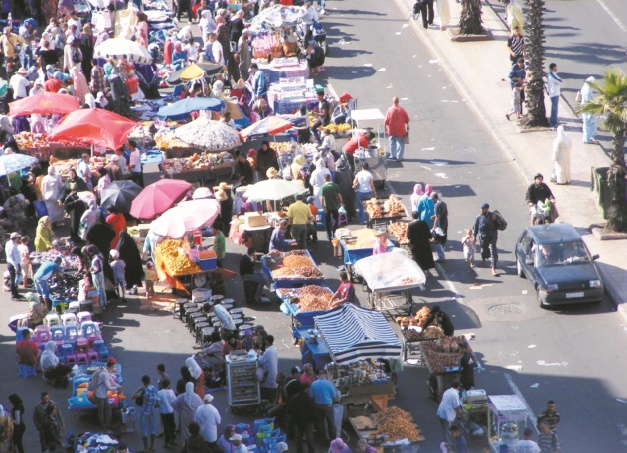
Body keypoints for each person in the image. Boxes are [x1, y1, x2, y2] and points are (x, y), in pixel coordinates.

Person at [131, 375, 158, 453]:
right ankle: (152, 446)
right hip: (152, 410)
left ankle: (146, 448)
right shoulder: (154, 388)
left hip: (144, 411)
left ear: (143, 382)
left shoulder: (144, 391)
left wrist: (139, 389)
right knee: (152, 428)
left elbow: (132, 396)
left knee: (144, 429)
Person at [287, 381, 315, 453]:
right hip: (308, 421)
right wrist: (313, 419)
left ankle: (299, 451)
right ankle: (311, 451)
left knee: (299, 436)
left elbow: (290, 410)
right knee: (309, 437)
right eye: (308, 388)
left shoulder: (294, 398)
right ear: (305, 389)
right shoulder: (308, 398)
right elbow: (312, 410)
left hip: (298, 421)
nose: (309, 390)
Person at [309, 369, 336, 442]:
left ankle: (323, 440)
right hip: (328, 405)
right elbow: (334, 395)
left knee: (320, 423)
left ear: (318, 375)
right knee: (330, 422)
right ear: (325, 375)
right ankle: (333, 439)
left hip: (318, 405)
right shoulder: (328, 383)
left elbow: (311, 395)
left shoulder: (314, 383)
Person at [472, 203, 499, 275]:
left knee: (492, 250)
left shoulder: (492, 216)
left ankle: (493, 268)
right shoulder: (478, 217)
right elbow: (475, 227)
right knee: (484, 250)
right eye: (480, 209)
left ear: (487, 209)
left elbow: (499, 226)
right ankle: (483, 260)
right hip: (483, 236)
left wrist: (495, 219)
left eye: (483, 209)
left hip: (492, 236)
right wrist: (474, 236)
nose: (481, 210)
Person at [94, 358, 121, 430]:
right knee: (101, 410)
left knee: (108, 408)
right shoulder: (104, 374)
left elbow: (113, 383)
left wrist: (119, 386)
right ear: (112, 365)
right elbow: (108, 387)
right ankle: (103, 426)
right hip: (99, 395)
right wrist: (117, 388)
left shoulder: (108, 372)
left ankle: (108, 424)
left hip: (104, 394)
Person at [436, 380, 463, 445]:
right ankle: (448, 445)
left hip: (440, 412)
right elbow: (455, 406)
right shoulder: (455, 394)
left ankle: (447, 442)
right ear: (458, 386)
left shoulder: (447, 391)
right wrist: (461, 412)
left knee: (444, 429)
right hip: (446, 415)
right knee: (447, 430)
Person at [384, 96, 410, 162]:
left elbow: (386, 120)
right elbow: (407, 119)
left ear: (392, 102)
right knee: (400, 143)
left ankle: (393, 155)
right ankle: (399, 157)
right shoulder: (402, 110)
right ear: (398, 102)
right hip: (400, 129)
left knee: (392, 142)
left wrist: (385, 128)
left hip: (392, 129)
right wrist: (407, 126)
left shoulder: (389, 110)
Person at [320, 173, 344, 241]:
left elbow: (322, 198)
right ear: (330, 178)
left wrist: (323, 206)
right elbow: (339, 195)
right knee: (335, 220)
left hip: (327, 207)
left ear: (324, 179)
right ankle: (334, 233)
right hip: (335, 206)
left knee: (327, 221)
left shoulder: (323, 187)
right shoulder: (335, 186)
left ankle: (329, 236)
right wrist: (342, 202)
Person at [258, 335, 279, 401]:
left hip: (269, 374)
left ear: (267, 341)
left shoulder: (268, 351)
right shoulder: (274, 349)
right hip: (274, 373)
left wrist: (258, 355)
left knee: (269, 393)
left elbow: (261, 361)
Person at [157, 378, 177, 448]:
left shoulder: (159, 393)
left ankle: (166, 442)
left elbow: (158, 403)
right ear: (169, 385)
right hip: (171, 411)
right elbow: (175, 400)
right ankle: (173, 439)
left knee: (165, 427)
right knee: (172, 425)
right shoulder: (171, 391)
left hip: (163, 412)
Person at [87, 244, 107, 308]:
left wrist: (92, 271)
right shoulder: (100, 256)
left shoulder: (97, 258)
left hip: (97, 276)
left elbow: (99, 268)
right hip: (100, 275)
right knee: (102, 290)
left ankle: (101, 304)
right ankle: (104, 303)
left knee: (99, 290)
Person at [6, 232, 24, 300]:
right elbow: (13, 258)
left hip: (12, 264)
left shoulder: (9, 243)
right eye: (18, 238)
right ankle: (13, 295)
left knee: (15, 280)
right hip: (13, 265)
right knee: (13, 280)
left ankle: (16, 293)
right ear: (16, 238)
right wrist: (16, 267)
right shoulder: (12, 246)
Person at [431, 192, 448, 262]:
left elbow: (438, 217)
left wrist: (434, 226)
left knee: (437, 241)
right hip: (445, 223)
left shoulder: (437, 205)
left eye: (432, 199)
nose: (432, 200)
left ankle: (441, 257)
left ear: (434, 198)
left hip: (439, 226)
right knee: (443, 240)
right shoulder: (443, 203)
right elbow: (446, 213)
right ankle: (442, 254)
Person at [579, 76, 597, 143]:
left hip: (585, 107)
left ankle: (588, 138)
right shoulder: (587, 89)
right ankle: (587, 139)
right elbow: (587, 99)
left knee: (587, 123)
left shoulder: (585, 87)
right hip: (587, 108)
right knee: (588, 124)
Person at [547, 63, 562, 129]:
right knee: (554, 109)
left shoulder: (552, 74)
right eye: (555, 68)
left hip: (555, 93)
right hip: (554, 93)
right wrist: (559, 81)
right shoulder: (552, 74)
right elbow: (559, 81)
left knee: (555, 108)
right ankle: (553, 123)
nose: (556, 69)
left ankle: (554, 121)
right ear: (552, 68)